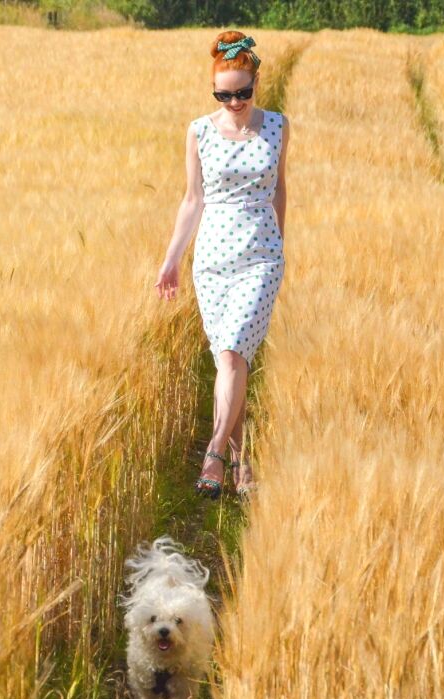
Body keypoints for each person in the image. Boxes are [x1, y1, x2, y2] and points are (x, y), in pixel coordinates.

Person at [154, 31, 290, 500]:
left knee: (232, 353)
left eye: (243, 92)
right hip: (212, 260)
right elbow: (192, 200)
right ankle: (241, 462)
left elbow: (279, 190)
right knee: (230, 362)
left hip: (260, 259)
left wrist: (281, 246)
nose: (234, 101)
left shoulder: (277, 126)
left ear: (256, 83)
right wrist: (171, 260)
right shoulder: (198, 131)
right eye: (224, 94)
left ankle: (213, 450)